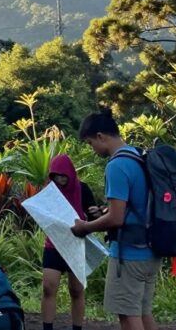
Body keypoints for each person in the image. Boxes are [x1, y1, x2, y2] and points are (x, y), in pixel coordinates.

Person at [71, 110, 161, 330]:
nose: (93, 149)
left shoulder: (117, 165)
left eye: (91, 143)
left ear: (101, 136)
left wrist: (85, 227)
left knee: (129, 316)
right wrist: (106, 211)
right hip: (151, 249)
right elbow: (134, 204)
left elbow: (116, 218)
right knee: (143, 312)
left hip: (129, 254)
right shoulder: (139, 156)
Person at [42, 154, 101, 330]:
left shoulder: (83, 189)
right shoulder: (50, 192)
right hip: (53, 244)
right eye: (55, 175)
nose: (60, 179)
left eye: (63, 175)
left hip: (76, 245)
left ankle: (77, 327)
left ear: (70, 173)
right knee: (48, 287)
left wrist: (97, 214)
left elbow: (92, 217)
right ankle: (47, 327)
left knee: (76, 290)